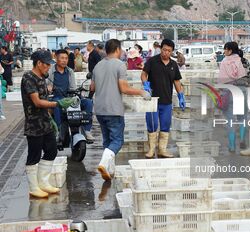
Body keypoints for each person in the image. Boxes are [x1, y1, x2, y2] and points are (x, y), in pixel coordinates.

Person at [90, 39, 151, 181]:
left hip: (99, 109)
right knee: (117, 140)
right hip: (113, 109)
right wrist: (141, 92)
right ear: (117, 49)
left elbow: (92, 88)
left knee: (107, 141)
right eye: (122, 49)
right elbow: (124, 88)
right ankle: (104, 164)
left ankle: (110, 171)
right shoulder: (120, 65)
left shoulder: (97, 66)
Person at [21, 50, 76, 198]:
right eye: (46, 64)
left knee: (52, 150)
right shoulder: (28, 78)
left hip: (45, 122)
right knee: (34, 155)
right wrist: (56, 104)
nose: (48, 67)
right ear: (39, 63)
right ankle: (34, 187)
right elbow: (37, 102)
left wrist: (50, 117)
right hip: (34, 124)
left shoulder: (42, 77)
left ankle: (43, 182)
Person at [141, 39, 185, 159]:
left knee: (165, 126)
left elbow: (177, 81)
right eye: (164, 49)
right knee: (152, 125)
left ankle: (162, 150)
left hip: (166, 101)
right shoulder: (152, 61)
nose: (166, 53)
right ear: (161, 48)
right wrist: (146, 84)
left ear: (172, 52)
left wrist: (181, 96)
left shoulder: (173, 65)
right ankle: (151, 149)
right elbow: (144, 74)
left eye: (169, 51)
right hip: (152, 100)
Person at [48, 49, 95, 142]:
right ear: (56, 59)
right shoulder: (50, 71)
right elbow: (47, 85)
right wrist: (49, 88)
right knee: (56, 104)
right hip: (57, 98)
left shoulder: (70, 71)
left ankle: (87, 130)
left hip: (69, 98)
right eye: (62, 58)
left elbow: (73, 88)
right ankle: (58, 130)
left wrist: (76, 92)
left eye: (66, 58)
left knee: (88, 102)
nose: (64, 60)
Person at [218, 42, 247, 152]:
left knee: (230, 120)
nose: (224, 51)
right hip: (241, 91)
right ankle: (243, 139)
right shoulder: (240, 60)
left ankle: (232, 146)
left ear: (229, 50)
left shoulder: (224, 62)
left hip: (229, 92)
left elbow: (221, 80)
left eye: (225, 49)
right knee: (242, 118)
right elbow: (243, 77)